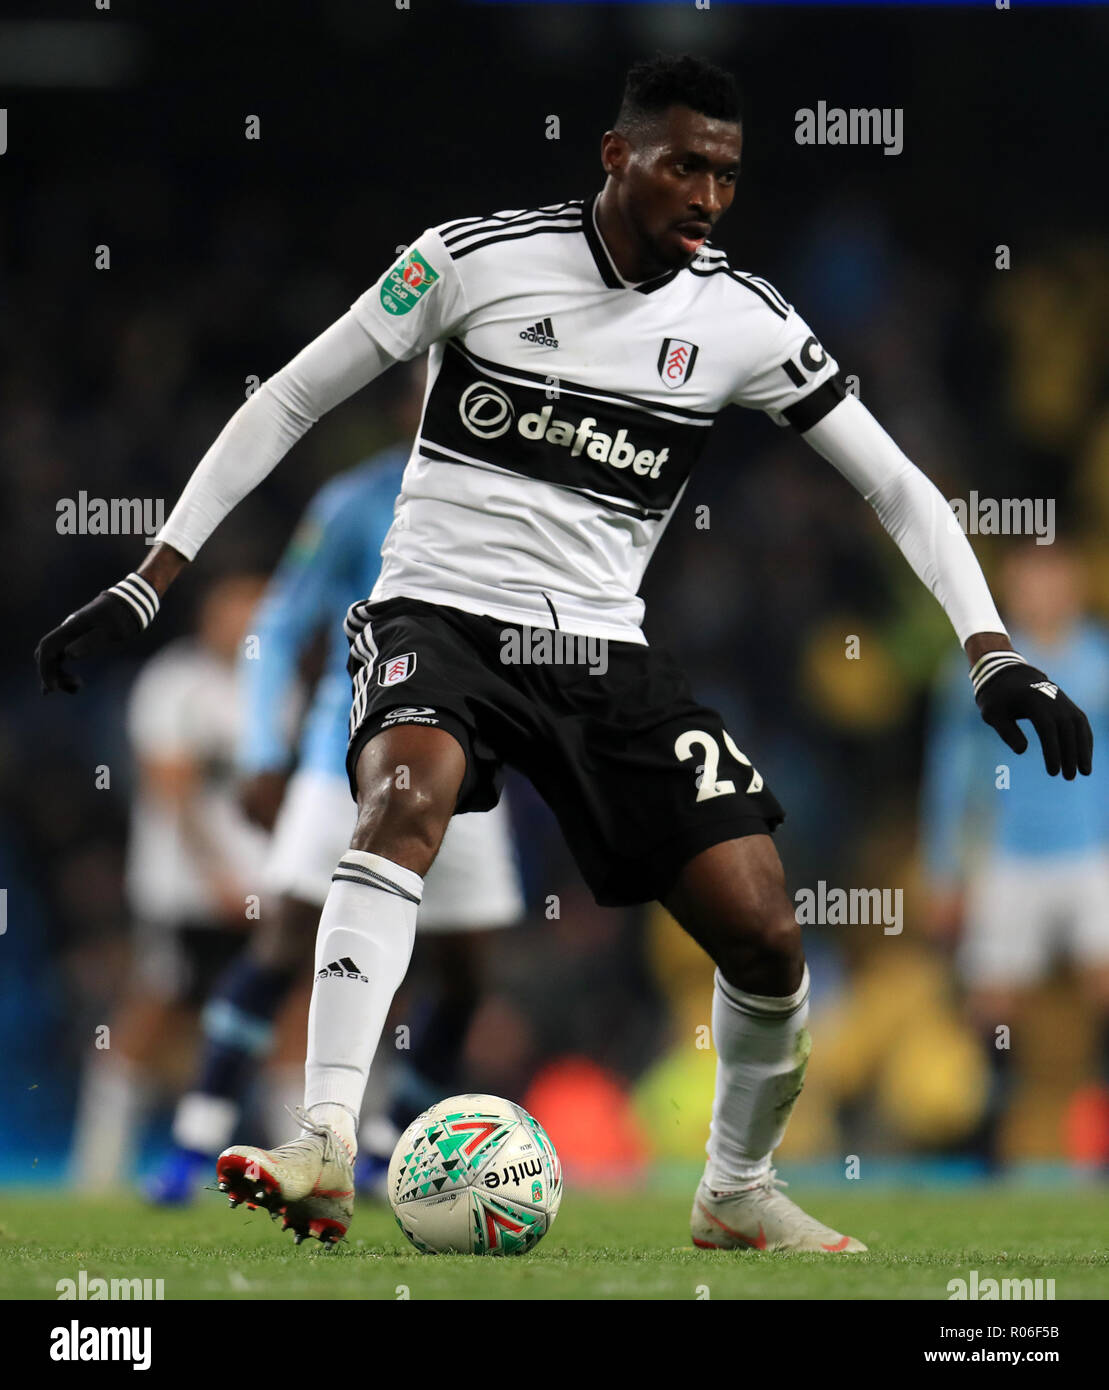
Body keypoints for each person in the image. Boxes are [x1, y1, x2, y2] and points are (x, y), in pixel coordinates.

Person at [37, 54, 1092, 1251]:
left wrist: (989, 649)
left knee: (764, 930)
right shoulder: (469, 260)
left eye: (726, 175)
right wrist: (150, 573)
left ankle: (734, 1189)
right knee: (403, 800)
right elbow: (286, 399)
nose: (704, 195)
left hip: (601, 649)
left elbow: (899, 488)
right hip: (436, 613)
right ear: (615, 155)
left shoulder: (739, 318)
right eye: (682, 164)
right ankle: (324, 1140)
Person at [148, 368, 525, 1204]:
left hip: (473, 764)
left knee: (464, 972)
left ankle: (390, 1150)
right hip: (340, 753)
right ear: (407, 411)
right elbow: (283, 620)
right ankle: (195, 1140)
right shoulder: (357, 503)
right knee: (285, 936)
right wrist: (258, 748)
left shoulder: (520, 503)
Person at [69, 574, 269, 1189]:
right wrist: (217, 878)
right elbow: (171, 790)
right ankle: (98, 1165)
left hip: (264, 893)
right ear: (210, 614)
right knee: (156, 1011)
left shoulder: (277, 688)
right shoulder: (173, 683)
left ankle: (315, 1166)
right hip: (185, 892)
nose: (248, 624)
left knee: (289, 1012)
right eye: (237, 608)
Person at [921, 540, 1109, 1170]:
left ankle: (1100, 1137)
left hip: (1091, 851)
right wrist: (944, 868)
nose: (1042, 592)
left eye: (1054, 579)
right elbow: (954, 772)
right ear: (1010, 589)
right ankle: (986, 1151)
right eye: (1029, 581)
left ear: (1075, 584)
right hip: (1010, 855)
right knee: (993, 1005)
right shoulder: (980, 670)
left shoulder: (1100, 663)